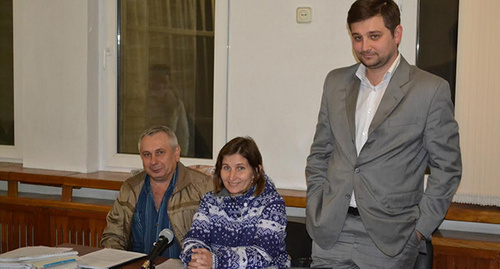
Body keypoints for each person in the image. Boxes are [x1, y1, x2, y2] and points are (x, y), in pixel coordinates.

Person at [305, 0, 462, 268]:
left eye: (374, 36)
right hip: (330, 232)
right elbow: (321, 152)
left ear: (397, 34)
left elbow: (447, 169)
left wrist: (420, 229)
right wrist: (316, 204)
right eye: (357, 37)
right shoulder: (335, 82)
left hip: (391, 240)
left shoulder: (430, 90)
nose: (364, 46)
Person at [101, 125, 212, 259]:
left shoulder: (203, 186)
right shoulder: (130, 188)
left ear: (176, 153)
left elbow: (218, 241)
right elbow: (113, 236)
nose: (153, 161)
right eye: (147, 154)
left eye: (160, 152)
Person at [180, 137, 290, 269]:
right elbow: (194, 239)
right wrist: (197, 258)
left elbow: (262, 255)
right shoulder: (210, 201)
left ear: (256, 171)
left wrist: (215, 261)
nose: (232, 176)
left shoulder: (272, 203)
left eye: (240, 168)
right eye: (226, 168)